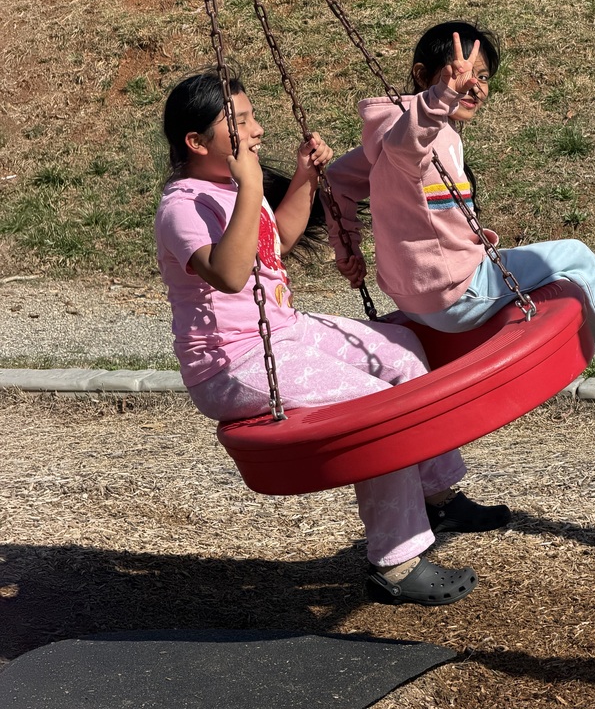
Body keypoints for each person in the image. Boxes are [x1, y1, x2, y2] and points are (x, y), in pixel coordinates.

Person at [154, 69, 512, 607]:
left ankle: (437, 495)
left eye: (252, 117)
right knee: (378, 413)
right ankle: (396, 561)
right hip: (233, 361)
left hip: (283, 331)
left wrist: (300, 179)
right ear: (198, 142)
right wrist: (253, 185)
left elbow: (280, 239)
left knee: (401, 351)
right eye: (242, 122)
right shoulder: (184, 206)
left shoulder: (230, 189)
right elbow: (229, 274)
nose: (256, 131)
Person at [324, 21, 595, 379]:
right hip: (456, 294)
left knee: (558, 272)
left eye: (482, 76)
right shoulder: (412, 135)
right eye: (458, 74)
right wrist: (442, 97)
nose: (473, 86)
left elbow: (337, 180)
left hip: (415, 300)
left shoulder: (387, 138)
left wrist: (347, 251)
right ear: (423, 77)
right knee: (575, 255)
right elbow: (407, 144)